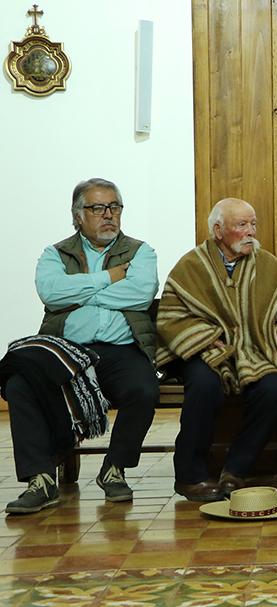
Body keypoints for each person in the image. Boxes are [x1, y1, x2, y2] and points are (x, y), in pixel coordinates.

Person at [1, 178, 159, 514]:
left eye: (114, 207)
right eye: (97, 208)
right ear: (77, 216)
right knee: (19, 385)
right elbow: (51, 293)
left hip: (121, 350)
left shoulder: (141, 251)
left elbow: (141, 293)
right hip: (66, 349)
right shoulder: (55, 253)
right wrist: (109, 277)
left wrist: (79, 290)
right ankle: (41, 480)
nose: (108, 215)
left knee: (144, 388)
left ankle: (114, 469)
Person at [157, 198, 277, 502]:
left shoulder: (269, 266)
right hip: (202, 352)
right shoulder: (191, 266)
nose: (251, 232)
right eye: (241, 225)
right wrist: (205, 337)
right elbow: (170, 316)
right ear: (218, 230)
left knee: (274, 387)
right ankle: (189, 476)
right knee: (205, 385)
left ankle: (236, 470)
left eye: (253, 224)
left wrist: (270, 338)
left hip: (254, 351)